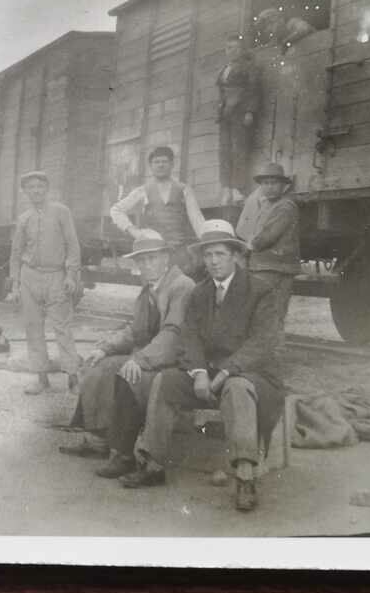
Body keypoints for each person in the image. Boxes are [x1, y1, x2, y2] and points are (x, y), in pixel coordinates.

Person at [117, 220, 283, 513]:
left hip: (252, 376)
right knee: (166, 381)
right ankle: (153, 463)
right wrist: (198, 373)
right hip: (207, 374)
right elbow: (188, 338)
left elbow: (262, 344)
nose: (213, 262)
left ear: (235, 255)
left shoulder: (262, 291)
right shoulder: (200, 293)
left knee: (238, 388)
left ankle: (245, 476)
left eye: (219, 254)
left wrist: (223, 374)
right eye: (208, 256)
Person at [59, 230, 195, 462]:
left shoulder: (181, 286)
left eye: (152, 258)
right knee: (101, 366)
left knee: (129, 374)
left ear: (165, 258)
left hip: (175, 359)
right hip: (153, 355)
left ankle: (122, 450)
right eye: (142, 260)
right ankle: (99, 439)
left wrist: (139, 359)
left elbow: (173, 335)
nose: (147, 265)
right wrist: (105, 348)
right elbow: (136, 330)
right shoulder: (149, 290)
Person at [9, 171, 82, 395]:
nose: (36, 191)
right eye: (31, 187)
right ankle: (41, 378)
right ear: (26, 192)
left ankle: (73, 378)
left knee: (62, 327)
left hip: (56, 276)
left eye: (40, 186)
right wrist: (14, 284)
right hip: (29, 276)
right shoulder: (23, 219)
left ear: (47, 189)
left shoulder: (61, 212)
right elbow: (15, 252)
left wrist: (71, 275)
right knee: (33, 327)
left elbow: (72, 245)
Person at [109, 146, 206, 269]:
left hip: (179, 253)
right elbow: (116, 210)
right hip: (153, 252)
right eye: (156, 162)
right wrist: (135, 232)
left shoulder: (184, 190)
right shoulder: (143, 190)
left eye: (164, 162)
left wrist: (207, 242)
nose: (160, 165)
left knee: (179, 284)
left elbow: (197, 220)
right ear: (151, 166)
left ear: (172, 165)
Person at [236, 162, 300, 332]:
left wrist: (246, 247)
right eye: (265, 183)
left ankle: (273, 355)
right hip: (263, 267)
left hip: (276, 268)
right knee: (260, 315)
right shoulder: (266, 205)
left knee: (273, 316)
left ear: (282, 186)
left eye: (274, 183)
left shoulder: (285, 207)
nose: (269, 187)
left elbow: (266, 237)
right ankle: (264, 354)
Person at [217, 33, 262, 206]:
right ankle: (226, 188)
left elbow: (253, 90)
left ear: (242, 50)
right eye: (228, 48)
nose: (231, 51)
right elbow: (221, 92)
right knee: (224, 151)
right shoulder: (224, 69)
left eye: (235, 48)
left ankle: (238, 188)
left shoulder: (249, 68)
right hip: (225, 113)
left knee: (239, 150)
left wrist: (250, 111)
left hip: (240, 111)